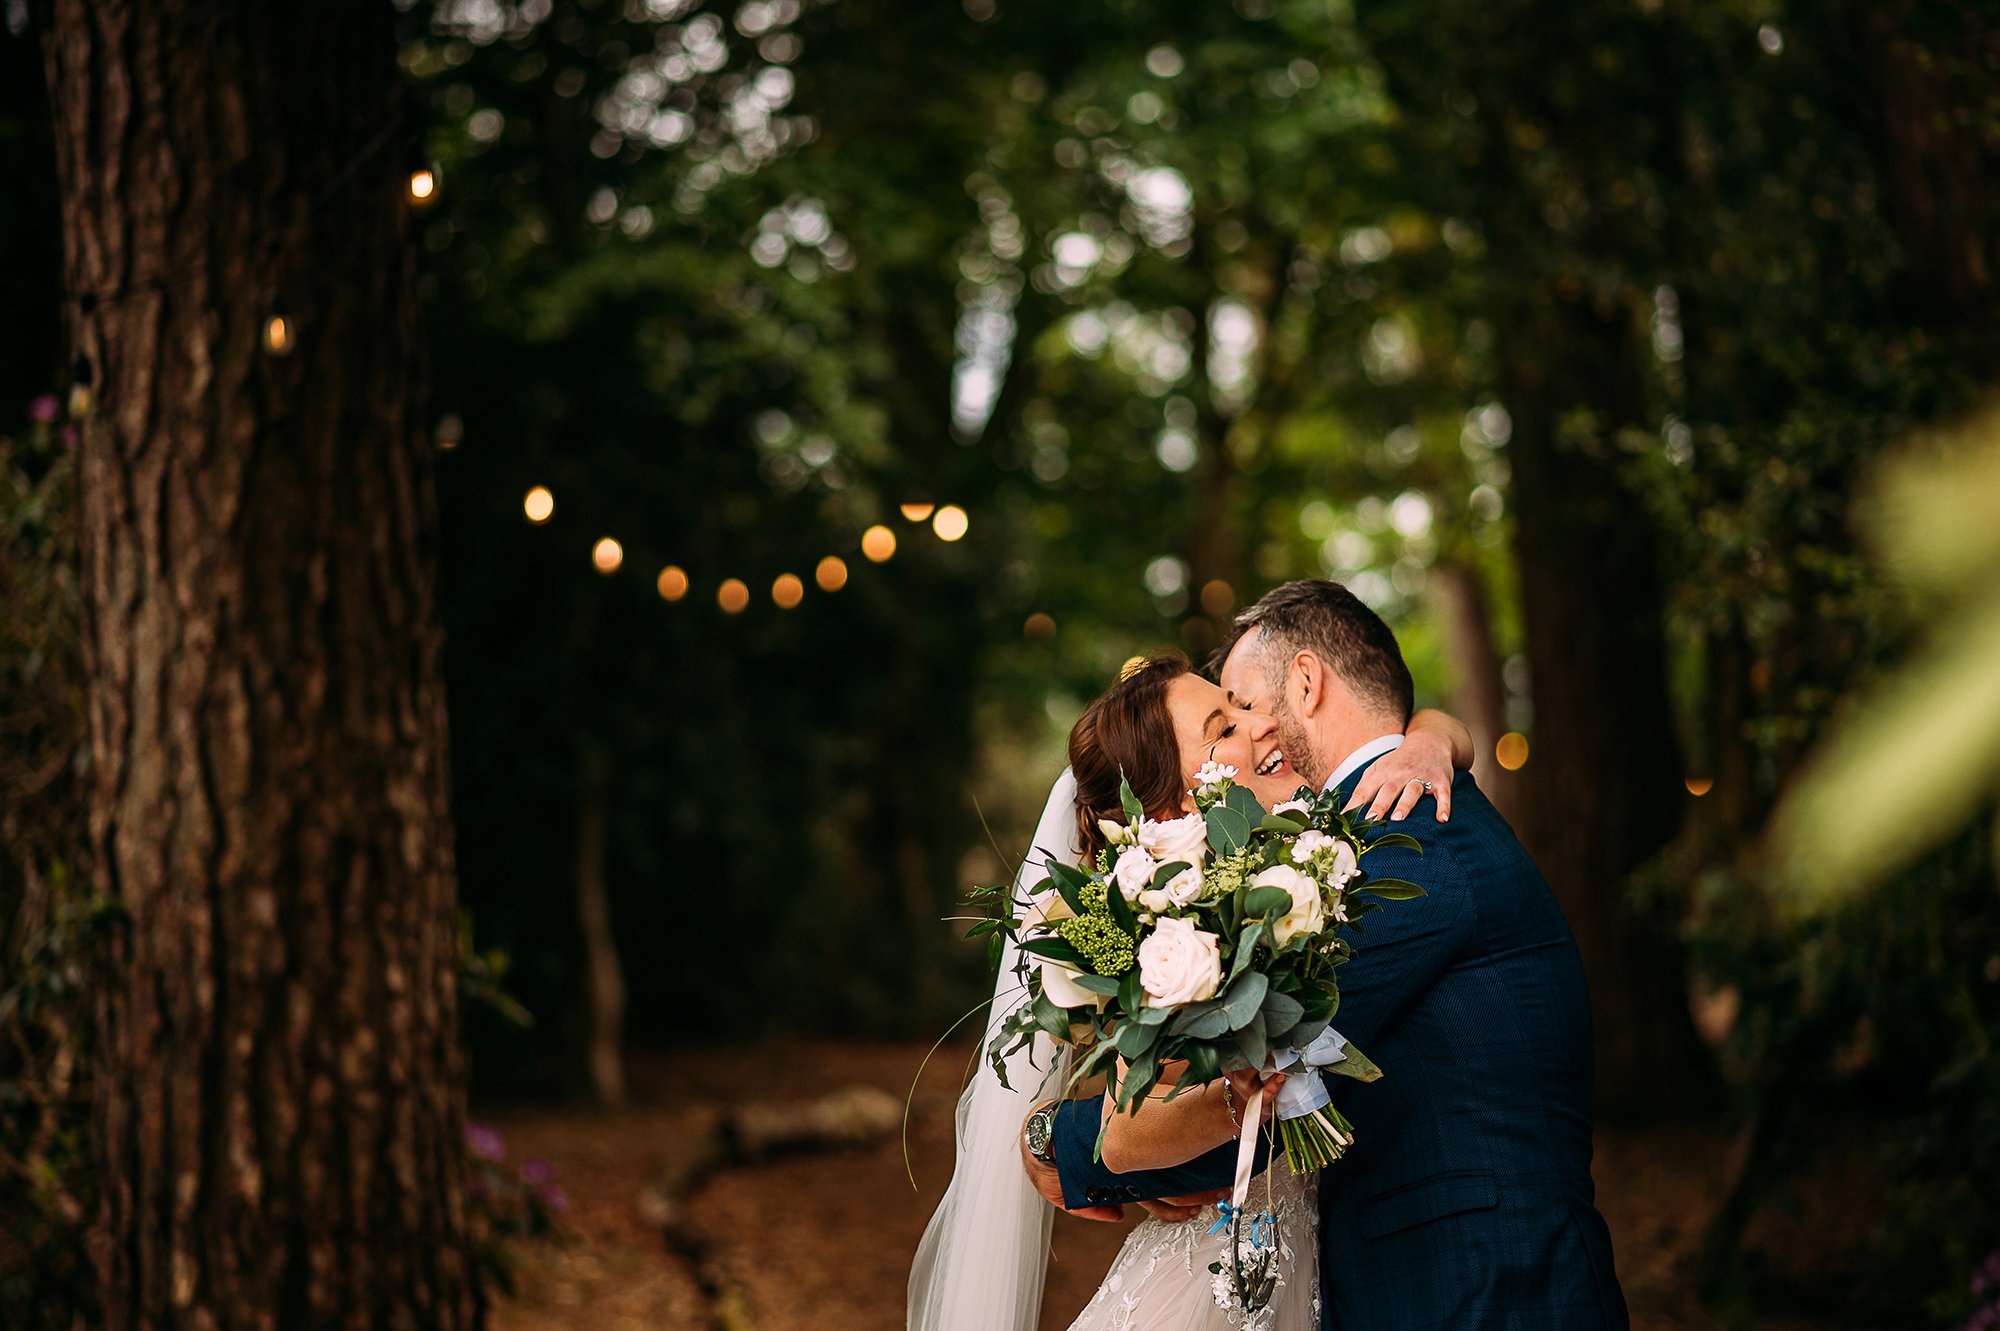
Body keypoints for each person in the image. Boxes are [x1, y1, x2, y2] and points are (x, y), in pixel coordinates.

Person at [1032, 580, 1629, 1330]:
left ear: (1306, 681)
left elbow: (1265, 1085)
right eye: (1224, 724)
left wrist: (1060, 1144)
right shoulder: (1345, 846)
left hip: (1491, 1297)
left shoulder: (1410, 839)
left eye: (1242, 705)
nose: (1250, 733)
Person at [908, 624, 1471, 1331]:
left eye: (1244, 707)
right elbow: (1122, 1132)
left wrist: (1431, 737)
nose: (1263, 723)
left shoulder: (1301, 863)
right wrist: (1229, 1105)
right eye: (1225, 724)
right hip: (1210, 1284)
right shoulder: (1175, 928)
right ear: (1173, 807)